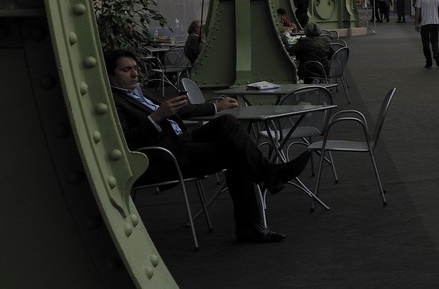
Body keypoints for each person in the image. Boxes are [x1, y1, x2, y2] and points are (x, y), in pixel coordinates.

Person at [105, 49, 310, 244]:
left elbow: (177, 111)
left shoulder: (139, 91)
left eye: (135, 68)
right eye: (126, 70)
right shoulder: (114, 100)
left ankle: (267, 178)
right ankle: (262, 195)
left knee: (227, 122)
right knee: (236, 154)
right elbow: (126, 140)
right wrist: (156, 116)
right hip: (165, 155)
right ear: (111, 74)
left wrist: (215, 107)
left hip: (181, 140)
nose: (134, 74)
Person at [415, 0, 439, 68]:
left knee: (425, 43)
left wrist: (417, 23)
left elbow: (417, 12)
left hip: (424, 23)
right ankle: (436, 55)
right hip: (435, 22)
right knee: (435, 41)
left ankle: (429, 62)